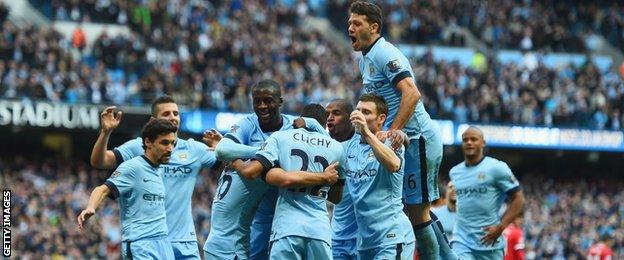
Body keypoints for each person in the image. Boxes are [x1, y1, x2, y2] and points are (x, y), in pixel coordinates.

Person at [347, 2, 452, 259]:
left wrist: (390, 131)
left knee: (417, 212)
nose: (350, 27)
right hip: (407, 140)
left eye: (356, 23)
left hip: (418, 138)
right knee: (416, 209)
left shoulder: (384, 52)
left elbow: (411, 92)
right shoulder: (366, 59)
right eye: (349, 23)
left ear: (373, 28)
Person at [203, 80, 326, 259]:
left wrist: (239, 156)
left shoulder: (294, 125)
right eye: (257, 101)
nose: (262, 106)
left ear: (281, 102)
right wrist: (268, 151)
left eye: (268, 100)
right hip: (258, 221)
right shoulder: (247, 124)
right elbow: (225, 151)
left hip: (288, 214)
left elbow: (324, 145)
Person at [90, 96, 220, 259]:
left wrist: (223, 148)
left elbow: (229, 166)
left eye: (175, 113)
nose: (172, 117)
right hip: (147, 241)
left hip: (185, 241)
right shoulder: (138, 147)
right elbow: (99, 161)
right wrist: (105, 132)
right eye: (166, 114)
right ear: (153, 121)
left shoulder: (194, 150)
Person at [226, 103, 345, 259]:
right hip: (319, 230)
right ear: (323, 124)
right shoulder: (337, 148)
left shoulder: (281, 137)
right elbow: (336, 197)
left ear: (300, 119)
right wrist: (321, 179)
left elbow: (251, 171)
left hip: (287, 228)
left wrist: (234, 160)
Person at [77, 119, 177, 259]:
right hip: (140, 244)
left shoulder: (159, 169)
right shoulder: (132, 168)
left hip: (163, 241)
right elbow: (102, 189)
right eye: (164, 143)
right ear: (148, 142)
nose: (170, 148)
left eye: (172, 143)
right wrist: (90, 207)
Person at [343, 93, 415, 259]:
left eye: (366, 112)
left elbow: (394, 164)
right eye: (358, 110)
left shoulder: (391, 140)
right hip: (365, 239)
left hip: (391, 235)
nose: (360, 115)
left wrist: (367, 133)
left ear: (381, 118)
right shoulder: (350, 146)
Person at [449, 126, 525, 260]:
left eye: (474, 139)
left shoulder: (497, 168)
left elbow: (518, 198)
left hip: (489, 241)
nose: (469, 142)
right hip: (461, 239)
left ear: (483, 143)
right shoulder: (455, 172)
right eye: (465, 140)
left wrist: (501, 227)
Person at [326, 99, 359, 260]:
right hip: (337, 236)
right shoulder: (323, 146)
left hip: (366, 237)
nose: (329, 118)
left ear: (350, 118)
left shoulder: (365, 141)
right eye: (327, 114)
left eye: (336, 113)